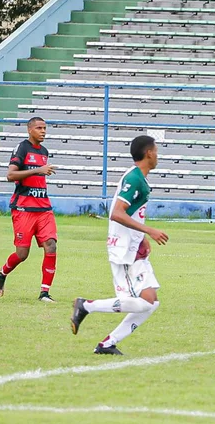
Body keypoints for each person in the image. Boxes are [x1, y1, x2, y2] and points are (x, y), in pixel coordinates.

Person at [70, 135, 169, 355]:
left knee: (151, 303)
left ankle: (107, 344)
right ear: (149, 153)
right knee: (141, 302)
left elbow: (132, 212)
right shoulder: (135, 179)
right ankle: (86, 305)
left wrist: (142, 237)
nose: (157, 155)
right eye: (156, 150)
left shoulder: (139, 178)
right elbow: (116, 213)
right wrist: (149, 231)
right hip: (124, 250)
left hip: (134, 248)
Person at [0, 117, 58, 302]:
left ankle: (44, 293)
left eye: (45, 128)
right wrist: (38, 170)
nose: (43, 131)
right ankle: (2, 273)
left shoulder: (44, 151)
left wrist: (40, 170)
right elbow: (11, 175)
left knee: (51, 245)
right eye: (39, 128)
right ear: (30, 130)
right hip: (23, 208)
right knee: (22, 254)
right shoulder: (21, 148)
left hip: (44, 208)